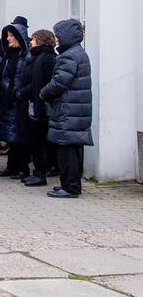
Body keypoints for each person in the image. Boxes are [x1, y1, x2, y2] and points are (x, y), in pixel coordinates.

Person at [39, 19, 92, 198]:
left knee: (66, 151)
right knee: (71, 150)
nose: (56, 39)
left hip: (68, 110)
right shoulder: (78, 53)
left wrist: (43, 93)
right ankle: (70, 184)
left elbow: (59, 82)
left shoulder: (69, 56)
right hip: (75, 110)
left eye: (58, 35)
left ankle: (70, 187)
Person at [16, 29, 57, 187]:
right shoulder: (38, 57)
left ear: (40, 41)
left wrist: (23, 92)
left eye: (33, 40)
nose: (31, 42)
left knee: (39, 141)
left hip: (39, 106)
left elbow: (38, 84)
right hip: (35, 103)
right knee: (35, 141)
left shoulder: (44, 58)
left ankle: (41, 174)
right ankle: (39, 172)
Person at [0, 20, 30, 178]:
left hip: (19, 100)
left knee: (20, 136)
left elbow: (26, 79)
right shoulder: (10, 56)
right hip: (8, 100)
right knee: (11, 135)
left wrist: (18, 93)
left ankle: (22, 168)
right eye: (7, 36)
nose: (8, 39)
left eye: (11, 36)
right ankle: (12, 166)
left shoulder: (26, 57)